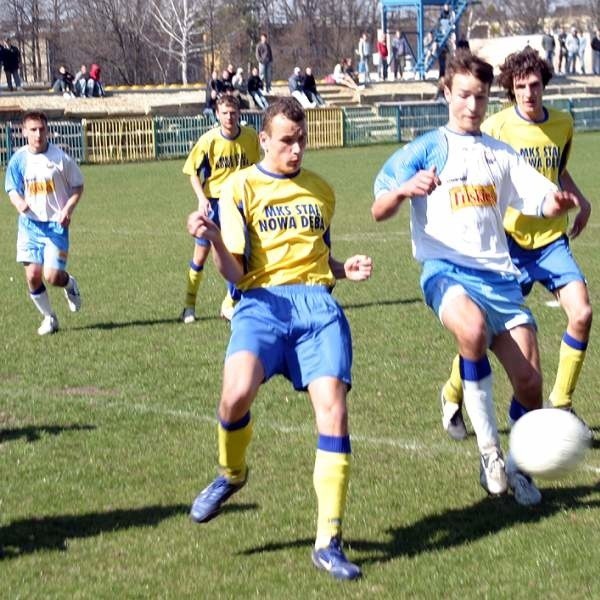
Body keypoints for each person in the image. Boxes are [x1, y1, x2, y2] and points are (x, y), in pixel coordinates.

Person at [372, 50, 582, 506]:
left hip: (499, 278)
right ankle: (488, 451)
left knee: (529, 384)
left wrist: (558, 203)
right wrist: (405, 189)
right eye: (464, 95)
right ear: (446, 93)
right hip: (445, 272)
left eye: (481, 97)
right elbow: (378, 207)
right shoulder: (425, 148)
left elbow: (537, 199)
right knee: (470, 331)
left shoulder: (499, 153)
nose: (472, 105)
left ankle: (518, 466)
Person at [187, 96, 372, 581]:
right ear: (263, 140)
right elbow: (237, 267)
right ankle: (232, 473)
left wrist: (342, 269)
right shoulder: (239, 189)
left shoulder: (322, 192)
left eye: (301, 139)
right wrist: (208, 234)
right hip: (260, 304)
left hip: (317, 306)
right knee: (234, 397)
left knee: (333, 410)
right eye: (286, 141)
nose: (296, 149)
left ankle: (328, 541)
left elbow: (319, 255)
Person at [440, 48, 593, 441]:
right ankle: (453, 391)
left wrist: (580, 198)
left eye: (535, 85)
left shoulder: (563, 123)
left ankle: (560, 404)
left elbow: (556, 170)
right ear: (510, 89)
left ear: (545, 85)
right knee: (486, 332)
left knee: (582, 313)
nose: (529, 93)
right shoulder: (495, 126)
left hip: (550, 241)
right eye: (520, 87)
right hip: (506, 243)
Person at [180, 95, 261, 323]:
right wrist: (201, 198)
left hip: (239, 203)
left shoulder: (250, 138)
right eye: (225, 113)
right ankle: (189, 305)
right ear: (217, 114)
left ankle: (229, 302)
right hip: (214, 202)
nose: (229, 117)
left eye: (233, 112)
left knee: (238, 252)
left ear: (239, 114)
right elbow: (191, 170)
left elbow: (255, 170)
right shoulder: (208, 141)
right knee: (201, 256)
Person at [4, 111, 84, 336]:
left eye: (41, 129)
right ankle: (49, 318)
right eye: (33, 129)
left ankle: (70, 284)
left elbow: (78, 186)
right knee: (32, 275)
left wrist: (68, 209)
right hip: (30, 226)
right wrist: (19, 203)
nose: (38, 134)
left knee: (52, 276)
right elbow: (11, 187)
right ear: (24, 132)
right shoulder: (18, 160)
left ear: (47, 130)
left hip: (55, 227)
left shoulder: (60, 158)